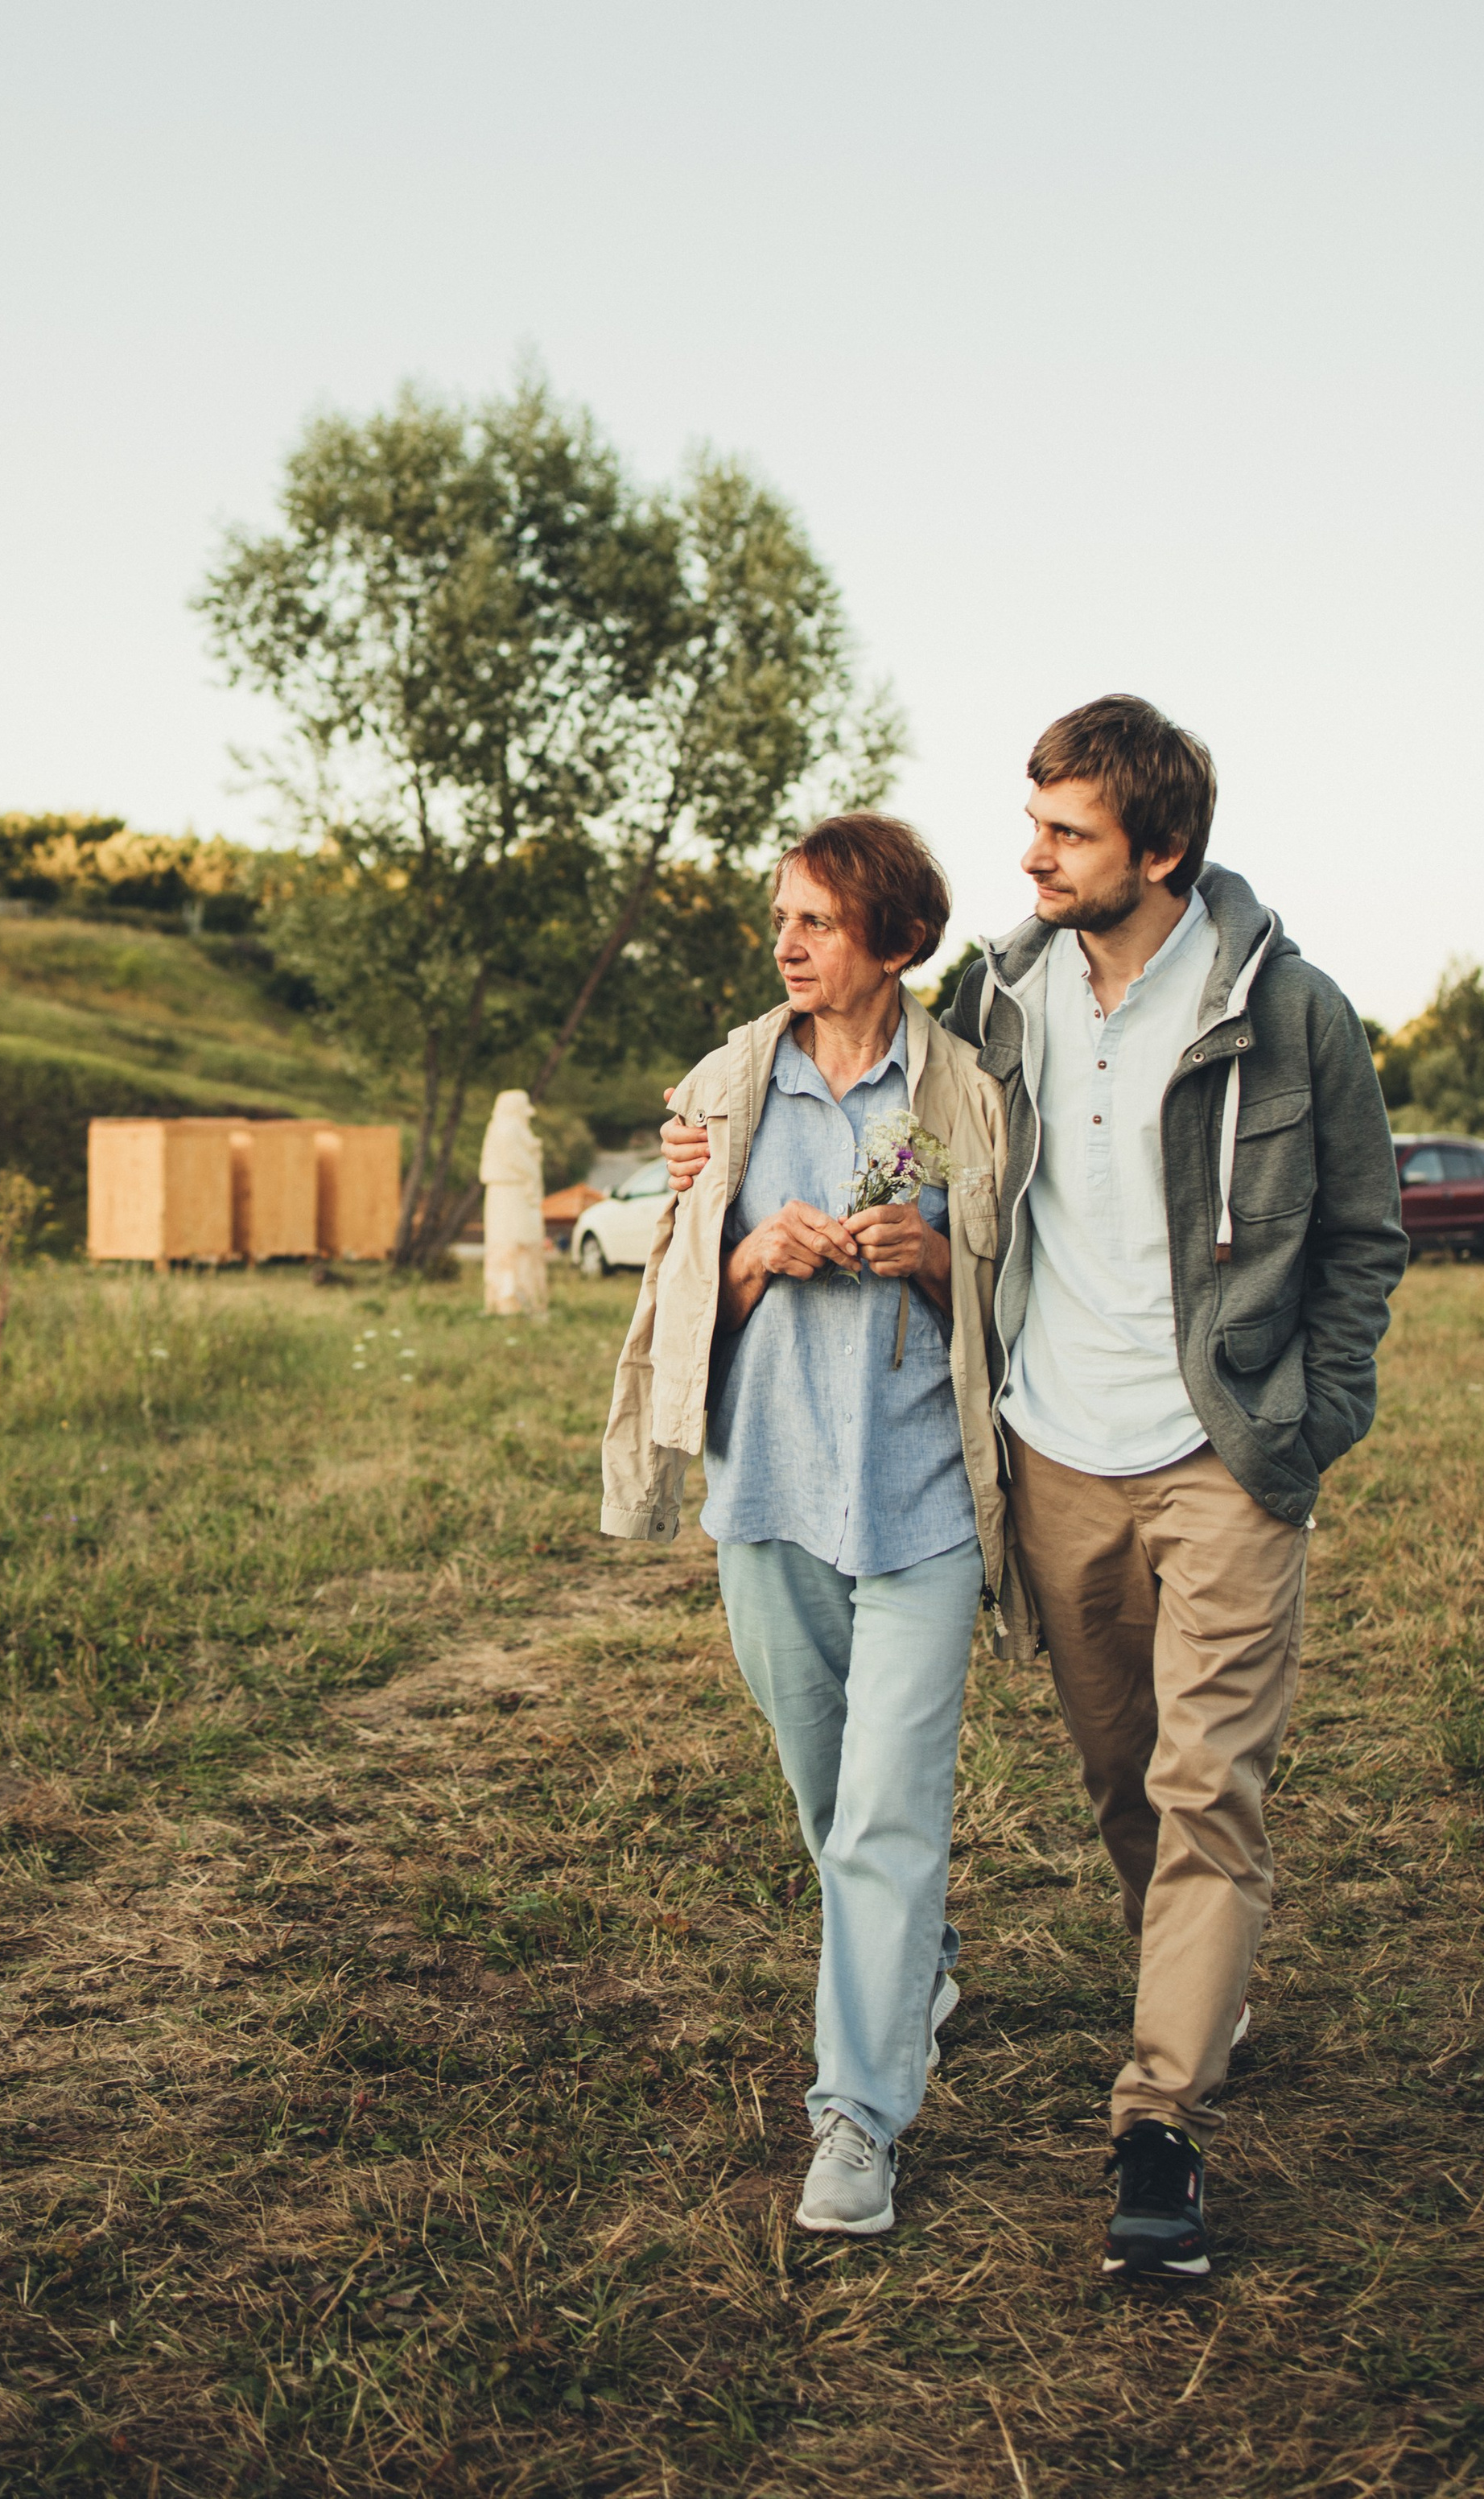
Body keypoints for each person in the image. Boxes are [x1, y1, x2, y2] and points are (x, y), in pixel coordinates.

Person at [661, 699, 1406, 2280]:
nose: (1032, 855)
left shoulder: (1290, 1014)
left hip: (1220, 1459)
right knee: (1128, 1785)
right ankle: (1192, 1982)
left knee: (1210, 1793)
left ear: (1160, 849)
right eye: (1033, 823)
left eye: (1064, 834)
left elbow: (1361, 1232)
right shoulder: (1005, 1002)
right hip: (1051, 1460)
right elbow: (857, 1098)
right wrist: (709, 1164)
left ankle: (1156, 2126)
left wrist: (1305, 1421)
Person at [600, 813, 1021, 2237]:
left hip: (919, 1506)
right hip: (768, 1494)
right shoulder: (726, 1087)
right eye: (781, 918)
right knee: (829, 1801)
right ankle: (919, 1967)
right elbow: (676, 1307)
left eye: (819, 923)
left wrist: (931, 1269)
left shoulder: (963, 1092)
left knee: (887, 1818)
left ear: (897, 943)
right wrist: (749, 1255)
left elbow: (1018, 1296)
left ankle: (856, 2121)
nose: (786, 944)